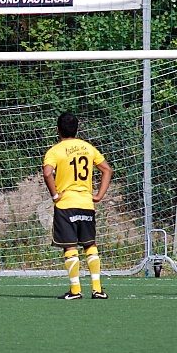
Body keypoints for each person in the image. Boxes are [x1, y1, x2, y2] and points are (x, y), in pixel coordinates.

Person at [43, 112, 113, 300]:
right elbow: (107, 169)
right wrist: (98, 195)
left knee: (70, 246)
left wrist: (55, 195)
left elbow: (47, 173)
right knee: (90, 245)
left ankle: (75, 290)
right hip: (86, 203)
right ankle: (97, 289)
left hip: (66, 205)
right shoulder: (87, 148)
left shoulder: (55, 151)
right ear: (77, 129)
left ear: (57, 130)